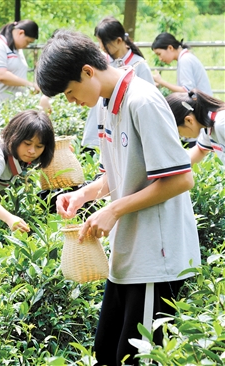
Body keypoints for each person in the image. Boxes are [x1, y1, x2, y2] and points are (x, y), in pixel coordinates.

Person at [36, 29, 200, 365]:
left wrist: (113, 210)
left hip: (157, 259)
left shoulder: (143, 100)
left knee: (135, 358)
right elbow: (121, 170)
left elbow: (181, 178)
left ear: (87, 71)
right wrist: (85, 194)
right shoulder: (107, 104)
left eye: (69, 92)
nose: (71, 101)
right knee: (107, 354)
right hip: (129, 255)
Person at [82, 16, 155, 149]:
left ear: (118, 40)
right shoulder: (100, 62)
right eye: (99, 42)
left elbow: (148, 104)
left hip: (122, 135)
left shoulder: (139, 65)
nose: (101, 47)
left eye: (104, 42)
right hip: (97, 129)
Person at [0, 20, 40, 102]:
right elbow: (1, 75)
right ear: (20, 33)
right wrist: (29, 84)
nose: (27, 45)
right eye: (27, 41)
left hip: (11, 105)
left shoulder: (17, 50)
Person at [166, 89, 225, 165]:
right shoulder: (208, 127)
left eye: (178, 132)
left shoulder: (221, 124)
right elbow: (200, 151)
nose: (181, 137)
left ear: (189, 120)